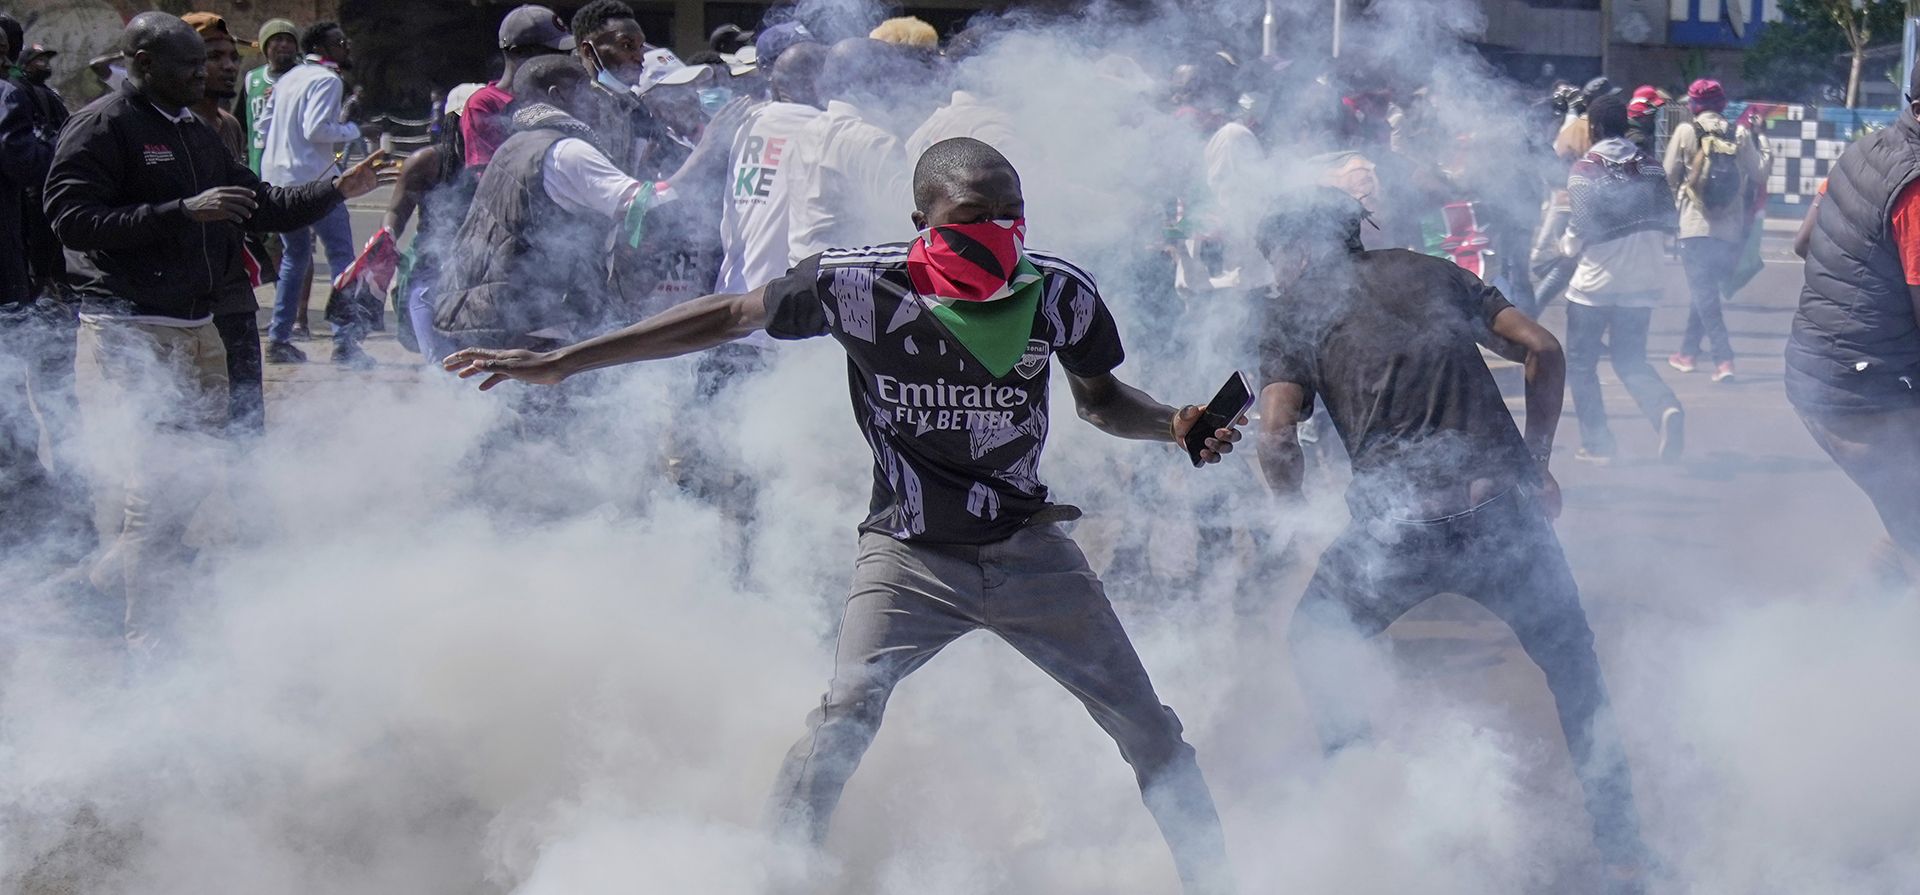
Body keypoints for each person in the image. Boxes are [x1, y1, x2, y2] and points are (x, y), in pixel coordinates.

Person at [445, 136, 1240, 895]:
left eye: (1011, 212)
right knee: (839, 722)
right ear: (922, 221)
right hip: (909, 557)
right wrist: (564, 360)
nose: (997, 234)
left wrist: (1174, 422)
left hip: (1030, 551)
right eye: (971, 219)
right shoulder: (855, 284)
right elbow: (727, 316)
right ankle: (775, 878)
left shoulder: (1060, 292)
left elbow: (1101, 401)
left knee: (1152, 734)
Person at [1252, 188, 1650, 889]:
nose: (1273, 273)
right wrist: (1538, 462)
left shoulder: (1295, 311)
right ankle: (1623, 849)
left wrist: (1292, 516)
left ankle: (1358, 820)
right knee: (1575, 670)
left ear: (1305, 247)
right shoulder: (1430, 271)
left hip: (1394, 529)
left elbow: (1277, 433)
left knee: (1317, 638)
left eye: (1275, 256)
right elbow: (1542, 348)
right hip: (1500, 511)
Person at [43, 12, 384, 655]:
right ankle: (144, 635)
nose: (203, 76)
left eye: (205, 65)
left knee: (197, 477)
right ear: (140, 62)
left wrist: (337, 188)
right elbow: (70, 218)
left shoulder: (196, 132)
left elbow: (261, 202)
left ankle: (109, 589)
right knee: (157, 486)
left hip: (199, 327)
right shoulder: (102, 126)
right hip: (131, 329)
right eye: (188, 67)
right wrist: (178, 212)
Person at [434, 56, 682, 352]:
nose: (596, 102)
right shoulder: (565, 150)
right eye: (586, 91)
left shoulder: (515, 146)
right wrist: (705, 156)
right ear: (558, 95)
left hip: (496, 318)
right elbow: (642, 202)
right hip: (542, 326)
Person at [1786, 67, 1920, 592]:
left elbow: (1803, 243)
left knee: (1907, 516)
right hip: (1863, 396)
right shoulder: (1915, 187)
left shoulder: (1863, 151)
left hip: (1822, 375)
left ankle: (1845, 634)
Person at [1560, 94, 1684, 465]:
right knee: (1631, 360)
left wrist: (1564, 246)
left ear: (1594, 128)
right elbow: (1669, 223)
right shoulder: (1649, 166)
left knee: (1581, 364)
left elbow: (1578, 231)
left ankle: (1598, 444)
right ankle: (1665, 408)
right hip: (1643, 282)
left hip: (1595, 284)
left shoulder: (1585, 170)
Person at [259, 21, 376, 367]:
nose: (347, 47)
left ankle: (279, 339)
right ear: (326, 47)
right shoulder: (327, 80)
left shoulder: (288, 78)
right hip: (315, 182)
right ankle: (345, 344)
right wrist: (356, 129)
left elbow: (264, 126)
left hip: (278, 180)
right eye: (341, 42)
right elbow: (316, 130)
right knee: (342, 258)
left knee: (295, 259)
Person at [182, 12, 271, 433]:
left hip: (234, 289)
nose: (230, 65)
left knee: (247, 416)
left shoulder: (229, 124)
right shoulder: (175, 128)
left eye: (232, 56)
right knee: (197, 424)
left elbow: (255, 199)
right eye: (214, 55)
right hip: (190, 300)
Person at [1663, 78, 1762, 383]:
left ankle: (1724, 359)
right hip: (1728, 232)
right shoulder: (1740, 133)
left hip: (1694, 227)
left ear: (1693, 105)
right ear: (1722, 103)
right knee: (1704, 293)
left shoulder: (1685, 131)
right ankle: (1687, 353)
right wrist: (1760, 140)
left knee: (1704, 295)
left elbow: (1667, 174)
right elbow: (1758, 172)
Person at [785, 39, 912, 259]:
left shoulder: (804, 132)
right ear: (877, 81)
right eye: (893, 76)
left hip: (800, 274)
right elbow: (908, 222)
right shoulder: (875, 143)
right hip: (846, 282)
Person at [713, 41, 822, 297]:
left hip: (731, 295)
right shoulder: (823, 129)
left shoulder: (748, 122)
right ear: (818, 83)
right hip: (777, 305)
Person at [463, 5, 575, 172]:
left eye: (565, 53)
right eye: (552, 52)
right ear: (518, 53)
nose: (562, 59)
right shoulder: (484, 104)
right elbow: (489, 173)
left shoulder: (558, 92)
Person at [0, 23, 52, 305]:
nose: (7, 64)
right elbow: (24, 164)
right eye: (0, 53)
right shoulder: (5, 95)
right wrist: (54, 148)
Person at [237, 18, 300, 175]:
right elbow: (242, 124)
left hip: (295, 169)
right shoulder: (252, 78)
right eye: (278, 39)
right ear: (265, 45)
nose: (284, 44)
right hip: (259, 166)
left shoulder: (306, 77)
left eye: (290, 40)